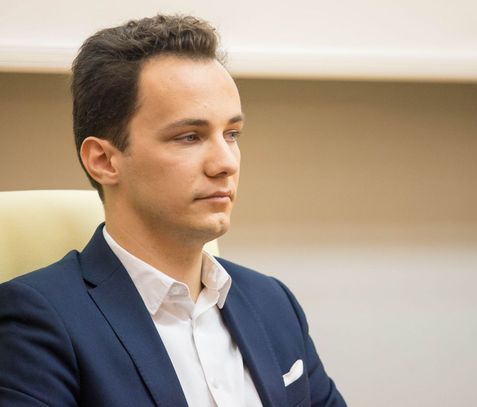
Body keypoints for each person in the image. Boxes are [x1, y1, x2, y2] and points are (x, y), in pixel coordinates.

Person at [0, 14, 346, 407]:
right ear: (104, 160)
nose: (225, 163)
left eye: (232, 134)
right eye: (189, 137)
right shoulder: (36, 320)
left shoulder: (273, 302)